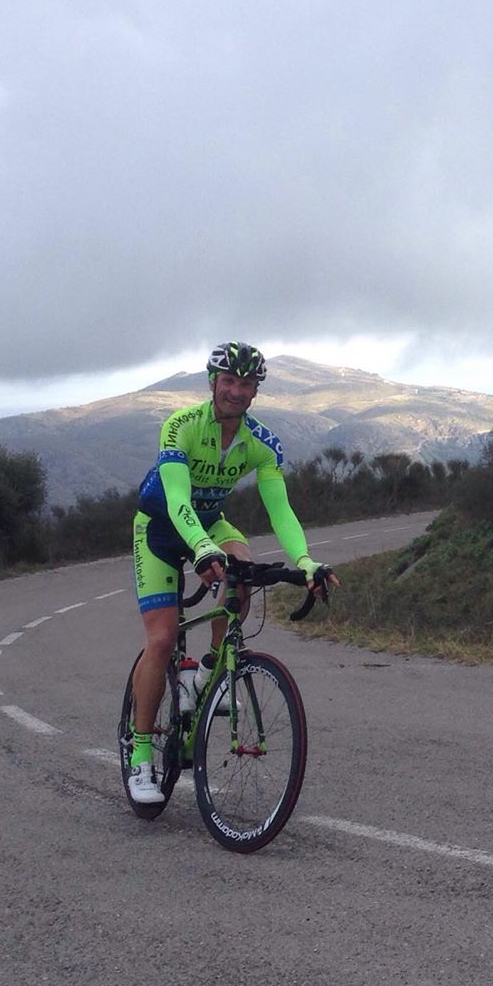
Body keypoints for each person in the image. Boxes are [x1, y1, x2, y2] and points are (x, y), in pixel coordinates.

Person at [125, 341, 336, 804]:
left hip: (209, 522)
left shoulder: (262, 444)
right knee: (161, 639)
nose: (237, 391)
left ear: (256, 391)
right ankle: (140, 755)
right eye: (229, 381)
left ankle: (207, 674)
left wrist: (305, 561)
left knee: (242, 568)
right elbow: (177, 498)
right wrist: (200, 549)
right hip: (159, 527)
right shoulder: (181, 426)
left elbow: (280, 509)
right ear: (212, 383)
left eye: (247, 383)